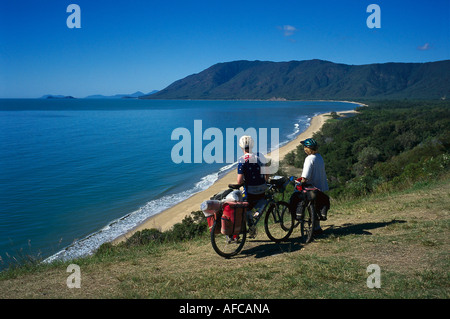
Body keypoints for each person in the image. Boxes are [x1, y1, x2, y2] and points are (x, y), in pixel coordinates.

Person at [291, 138, 329, 235]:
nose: (304, 148)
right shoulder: (319, 157)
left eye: (305, 147)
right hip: (321, 187)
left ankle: (298, 215)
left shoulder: (309, 159)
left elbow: (305, 177)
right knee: (315, 206)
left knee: (295, 197)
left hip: (311, 188)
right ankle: (317, 227)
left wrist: (299, 182)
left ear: (308, 149)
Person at [236, 135, 269, 237]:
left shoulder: (242, 160)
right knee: (261, 200)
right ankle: (256, 215)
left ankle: (251, 226)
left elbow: (239, 181)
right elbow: (267, 173)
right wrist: (264, 181)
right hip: (262, 190)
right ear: (252, 145)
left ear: (241, 147)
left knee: (245, 206)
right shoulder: (260, 156)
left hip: (250, 192)